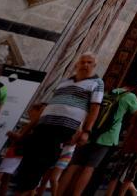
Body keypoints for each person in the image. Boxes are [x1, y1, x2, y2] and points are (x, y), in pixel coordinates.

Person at [12, 52, 104, 196]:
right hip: (43, 126)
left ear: (94, 66)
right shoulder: (64, 82)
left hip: (63, 128)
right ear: (76, 64)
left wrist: (86, 131)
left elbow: (95, 108)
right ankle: (22, 191)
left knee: (41, 163)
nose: (85, 65)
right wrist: (25, 130)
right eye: (83, 62)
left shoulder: (97, 83)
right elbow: (46, 107)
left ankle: (22, 191)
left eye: (89, 62)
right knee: (28, 162)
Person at [59, 80, 137, 196]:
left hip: (90, 133)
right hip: (107, 136)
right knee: (89, 168)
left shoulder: (108, 93)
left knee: (74, 165)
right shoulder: (130, 96)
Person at [0, 102, 43, 195]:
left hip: (15, 152)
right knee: (5, 178)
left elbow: (25, 139)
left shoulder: (35, 125)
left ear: (38, 111)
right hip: (16, 152)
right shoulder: (34, 124)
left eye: (32, 110)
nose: (29, 112)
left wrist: (12, 135)